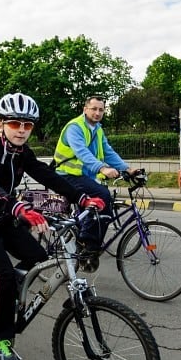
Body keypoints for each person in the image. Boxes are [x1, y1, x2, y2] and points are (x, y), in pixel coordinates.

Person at [0, 92, 97, 360]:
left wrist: (80, 197)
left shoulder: (23, 153)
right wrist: (18, 208)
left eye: (28, 125)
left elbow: (47, 176)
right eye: (14, 123)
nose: (21, 130)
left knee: (38, 255)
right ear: (1, 125)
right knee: (4, 274)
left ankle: (5, 297)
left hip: (3, 218)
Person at [52, 95, 131, 270]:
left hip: (84, 176)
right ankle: (88, 246)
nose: (97, 113)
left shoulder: (98, 129)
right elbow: (82, 152)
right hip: (67, 175)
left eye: (101, 110)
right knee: (103, 196)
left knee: (91, 210)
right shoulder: (75, 127)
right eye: (94, 109)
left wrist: (128, 169)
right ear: (85, 109)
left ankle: (84, 244)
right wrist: (102, 168)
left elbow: (108, 152)